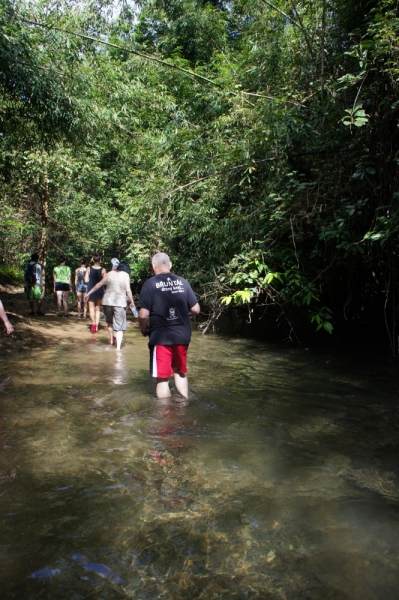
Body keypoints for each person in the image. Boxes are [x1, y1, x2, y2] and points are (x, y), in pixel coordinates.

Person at [137, 252, 200, 399]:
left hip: (161, 337)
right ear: (170, 265)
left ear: (153, 266)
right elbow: (196, 309)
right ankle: (184, 404)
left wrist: (144, 329)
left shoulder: (150, 284)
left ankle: (165, 416)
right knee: (180, 372)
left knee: (163, 379)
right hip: (182, 335)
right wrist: (183, 314)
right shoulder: (182, 282)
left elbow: (143, 315)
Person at [85, 261, 135, 349]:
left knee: (110, 322)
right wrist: (132, 302)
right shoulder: (125, 275)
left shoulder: (109, 273)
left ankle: (111, 341)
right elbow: (128, 290)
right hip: (119, 303)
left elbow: (99, 284)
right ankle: (118, 349)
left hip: (107, 302)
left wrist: (88, 293)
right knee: (119, 327)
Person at [85, 254, 106, 333]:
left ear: (93, 260)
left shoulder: (88, 268)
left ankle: (93, 323)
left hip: (91, 289)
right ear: (100, 260)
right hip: (100, 290)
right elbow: (105, 281)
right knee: (97, 309)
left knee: (91, 309)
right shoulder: (103, 270)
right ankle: (96, 326)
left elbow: (86, 280)